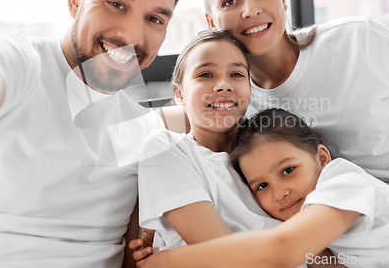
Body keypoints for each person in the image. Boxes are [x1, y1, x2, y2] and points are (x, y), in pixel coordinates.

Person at [0, 0, 185, 267]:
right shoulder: (17, 63)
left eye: (155, 19)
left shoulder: (144, 133)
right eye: (116, 3)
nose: (130, 37)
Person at [200, 0, 389, 210]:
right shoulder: (234, 102)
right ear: (211, 21)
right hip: (352, 216)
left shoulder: (356, 40)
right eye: (230, 1)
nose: (250, 10)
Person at [136, 30, 340, 268]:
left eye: (236, 74)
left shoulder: (272, 149)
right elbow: (224, 259)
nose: (223, 85)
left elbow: (320, 243)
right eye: (205, 74)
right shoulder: (166, 148)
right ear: (179, 94)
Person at [137, 108, 389, 268]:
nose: (279, 192)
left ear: (321, 158)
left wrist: (165, 262)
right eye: (262, 185)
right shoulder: (315, 227)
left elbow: (282, 250)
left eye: (288, 170)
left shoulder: (342, 180)